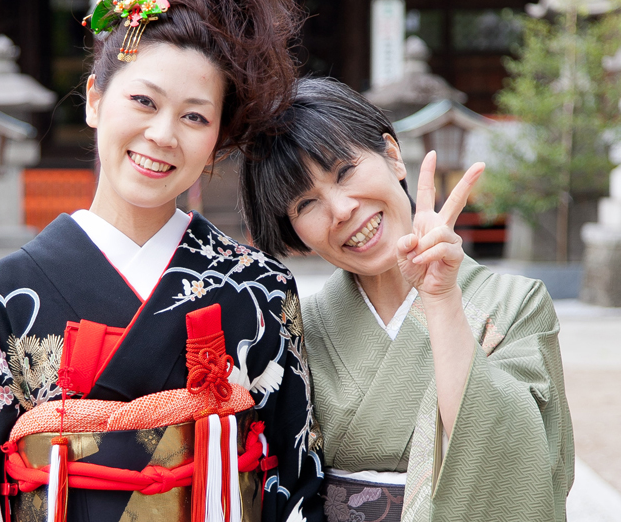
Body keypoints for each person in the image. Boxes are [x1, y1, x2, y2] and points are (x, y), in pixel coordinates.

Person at [0, 0, 323, 522]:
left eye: (194, 116)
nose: (162, 134)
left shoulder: (257, 290)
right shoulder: (5, 296)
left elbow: (297, 481)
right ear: (95, 101)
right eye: (143, 101)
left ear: (215, 144)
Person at [239, 77, 574, 522]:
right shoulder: (301, 327)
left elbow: (522, 462)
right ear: (293, 231)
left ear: (393, 155)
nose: (341, 210)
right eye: (305, 203)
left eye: (345, 171)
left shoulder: (517, 304)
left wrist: (441, 300)